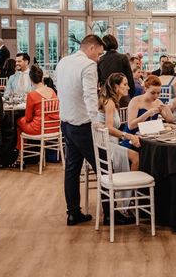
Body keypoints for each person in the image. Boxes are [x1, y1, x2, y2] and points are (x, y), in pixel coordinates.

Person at [54, 34, 109, 226]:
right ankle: (111, 213)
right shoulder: (88, 65)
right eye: (99, 54)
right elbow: (90, 95)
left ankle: (73, 212)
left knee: (72, 169)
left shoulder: (63, 62)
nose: (99, 58)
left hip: (66, 122)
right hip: (84, 124)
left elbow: (57, 87)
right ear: (91, 48)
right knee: (103, 165)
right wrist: (96, 122)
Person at [97, 73, 140, 174]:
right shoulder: (110, 102)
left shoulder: (113, 101)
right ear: (116, 86)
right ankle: (130, 188)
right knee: (136, 157)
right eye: (125, 84)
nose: (128, 88)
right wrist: (128, 136)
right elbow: (109, 128)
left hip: (109, 142)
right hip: (105, 145)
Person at [15, 65, 59, 149]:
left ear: (30, 79)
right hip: (54, 127)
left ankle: (20, 153)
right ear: (42, 78)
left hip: (38, 128)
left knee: (18, 121)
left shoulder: (32, 95)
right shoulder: (52, 91)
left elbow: (28, 118)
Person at [126, 75, 174, 141]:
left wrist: (167, 109)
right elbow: (131, 126)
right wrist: (147, 114)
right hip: (133, 138)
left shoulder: (158, 102)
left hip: (150, 137)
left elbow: (170, 121)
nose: (156, 96)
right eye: (153, 93)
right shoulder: (135, 101)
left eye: (158, 93)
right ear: (145, 89)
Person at [97, 34, 136, 101]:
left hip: (106, 94)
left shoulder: (100, 60)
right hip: (120, 93)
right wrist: (132, 94)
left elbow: (98, 79)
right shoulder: (123, 58)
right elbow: (129, 77)